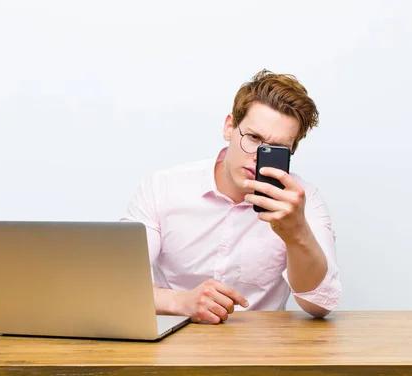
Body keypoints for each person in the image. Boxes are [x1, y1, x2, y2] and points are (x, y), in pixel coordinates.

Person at [121, 69, 341, 323]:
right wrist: (182, 302)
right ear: (229, 128)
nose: (258, 156)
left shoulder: (303, 201)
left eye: (276, 149)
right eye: (253, 137)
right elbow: (116, 285)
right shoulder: (163, 187)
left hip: (262, 353)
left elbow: (320, 305)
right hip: (173, 347)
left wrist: (297, 232)